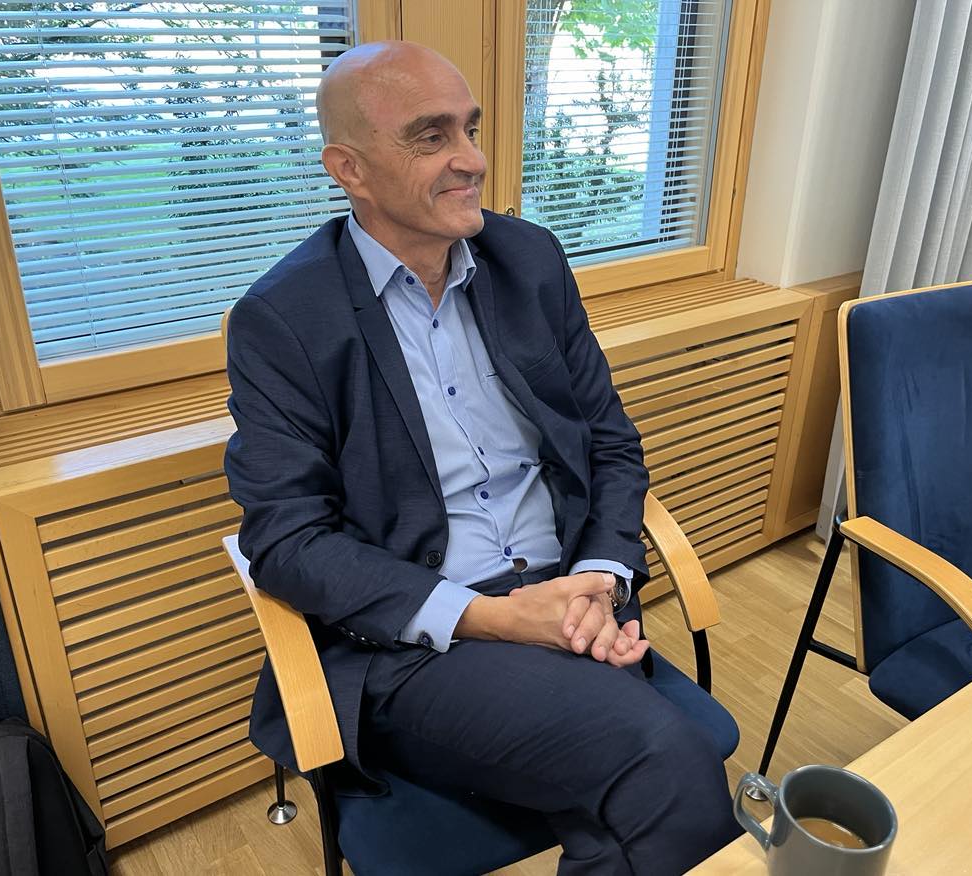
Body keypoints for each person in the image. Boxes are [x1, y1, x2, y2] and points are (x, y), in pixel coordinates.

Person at [224, 40, 739, 874]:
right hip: (419, 642)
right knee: (664, 763)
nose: (472, 160)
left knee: (630, 814)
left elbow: (608, 441)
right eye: (431, 137)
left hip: (567, 594)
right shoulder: (285, 318)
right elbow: (286, 542)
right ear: (349, 169)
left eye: (470, 128)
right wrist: (500, 619)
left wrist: (600, 581)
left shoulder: (527, 261)